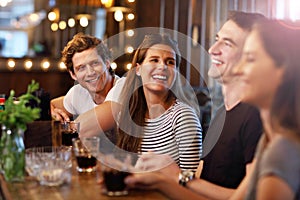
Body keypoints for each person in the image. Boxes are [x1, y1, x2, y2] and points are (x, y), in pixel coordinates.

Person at [124, 11, 264, 199]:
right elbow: (201, 182)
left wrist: (178, 175)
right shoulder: (223, 114)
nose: (213, 49)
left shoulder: (256, 117)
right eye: (217, 39)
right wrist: (155, 179)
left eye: (228, 43)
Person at [230, 18, 300, 200]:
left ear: (283, 70)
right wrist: (163, 181)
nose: (238, 69)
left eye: (250, 59)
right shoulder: (268, 139)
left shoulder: (282, 150)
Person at [50, 33, 120, 122]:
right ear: (73, 75)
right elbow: (51, 105)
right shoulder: (78, 93)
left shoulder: (123, 87)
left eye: (95, 63)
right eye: (81, 68)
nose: (90, 72)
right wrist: (53, 113)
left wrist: (70, 125)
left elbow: (91, 127)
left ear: (107, 63)